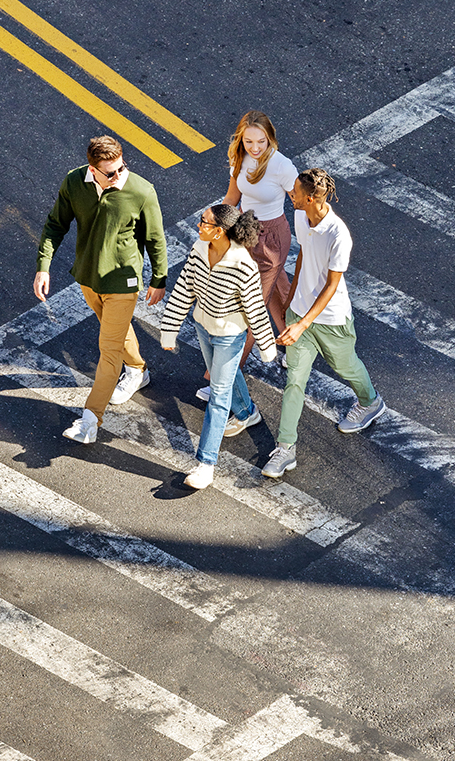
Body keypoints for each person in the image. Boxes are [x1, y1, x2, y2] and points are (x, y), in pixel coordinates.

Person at [34, 134, 166, 444]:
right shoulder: (74, 183)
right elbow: (55, 224)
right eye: (111, 172)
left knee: (108, 351)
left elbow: (155, 239)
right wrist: (43, 266)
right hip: (88, 278)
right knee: (115, 331)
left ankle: (90, 420)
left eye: (122, 168)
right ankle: (138, 370)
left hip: (123, 281)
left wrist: (159, 279)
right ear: (92, 170)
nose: (119, 176)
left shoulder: (141, 191)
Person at [261, 167, 385, 479]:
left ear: (314, 197)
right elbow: (304, 251)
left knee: (346, 367)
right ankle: (285, 448)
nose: (291, 196)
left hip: (331, 321)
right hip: (301, 314)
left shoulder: (338, 234)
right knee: (294, 382)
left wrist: (303, 324)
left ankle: (370, 402)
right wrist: (291, 300)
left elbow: (331, 286)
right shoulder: (302, 217)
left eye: (296, 194)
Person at [158, 204, 277, 490]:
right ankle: (248, 413)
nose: (199, 226)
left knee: (219, 395)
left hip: (229, 335)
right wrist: (169, 331)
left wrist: (266, 346)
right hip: (202, 326)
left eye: (204, 222)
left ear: (220, 230)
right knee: (223, 374)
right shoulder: (200, 248)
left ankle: (205, 464)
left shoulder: (243, 265)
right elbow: (185, 288)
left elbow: (254, 309)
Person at [195, 110, 297, 399]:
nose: (255, 148)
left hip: (272, 240)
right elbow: (232, 199)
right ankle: (294, 343)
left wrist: (314, 237)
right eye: (249, 141)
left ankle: (221, 381)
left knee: (250, 306)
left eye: (261, 142)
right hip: (244, 230)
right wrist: (215, 227)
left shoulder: (281, 166)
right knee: (278, 290)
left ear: (270, 139)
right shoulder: (239, 158)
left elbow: (300, 202)